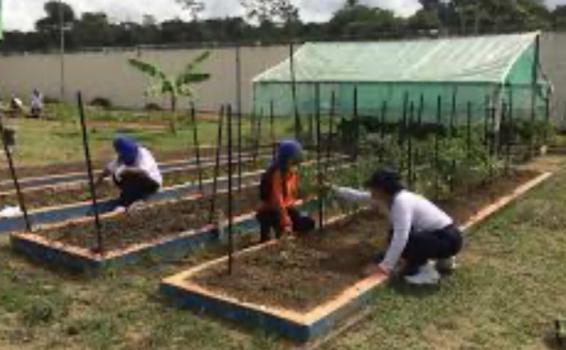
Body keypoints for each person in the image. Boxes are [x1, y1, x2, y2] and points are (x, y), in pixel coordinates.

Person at [330, 169, 463, 285]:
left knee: (398, 237)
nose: (370, 191)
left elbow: (401, 236)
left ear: (382, 189)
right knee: (404, 236)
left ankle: (428, 273)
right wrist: (333, 189)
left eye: (373, 187)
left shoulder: (401, 202)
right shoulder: (392, 197)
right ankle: (445, 260)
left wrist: (384, 267)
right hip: (449, 237)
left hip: (446, 240)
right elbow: (358, 196)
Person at [256, 139, 315, 243]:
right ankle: (267, 239)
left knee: (307, 224)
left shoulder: (292, 172)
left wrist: (307, 193)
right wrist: (284, 218)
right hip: (270, 210)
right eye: (293, 159)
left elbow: (293, 193)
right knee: (275, 235)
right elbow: (277, 199)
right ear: (286, 159)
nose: (295, 162)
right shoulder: (277, 173)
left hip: (286, 207)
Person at [96, 136, 162, 211]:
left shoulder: (143, 153)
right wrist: (97, 183)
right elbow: (108, 169)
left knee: (130, 173)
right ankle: (127, 200)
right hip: (137, 186)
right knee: (116, 174)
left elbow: (144, 172)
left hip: (152, 184)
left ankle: (141, 199)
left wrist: (126, 170)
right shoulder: (122, 157)